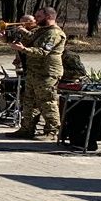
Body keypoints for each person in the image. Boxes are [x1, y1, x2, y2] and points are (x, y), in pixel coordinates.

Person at [8, 7, 66, 140]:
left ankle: (52, 131)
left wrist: (23, 49)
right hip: (33, 72)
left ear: (49, 17)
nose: (36, 19)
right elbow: (29, 37)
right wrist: (9, 37)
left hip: (47, 73)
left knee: (47, 102)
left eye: (39, 17)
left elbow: (43, 51)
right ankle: (26, 129)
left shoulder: (54, 33)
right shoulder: (41, 30)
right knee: (29, 102)